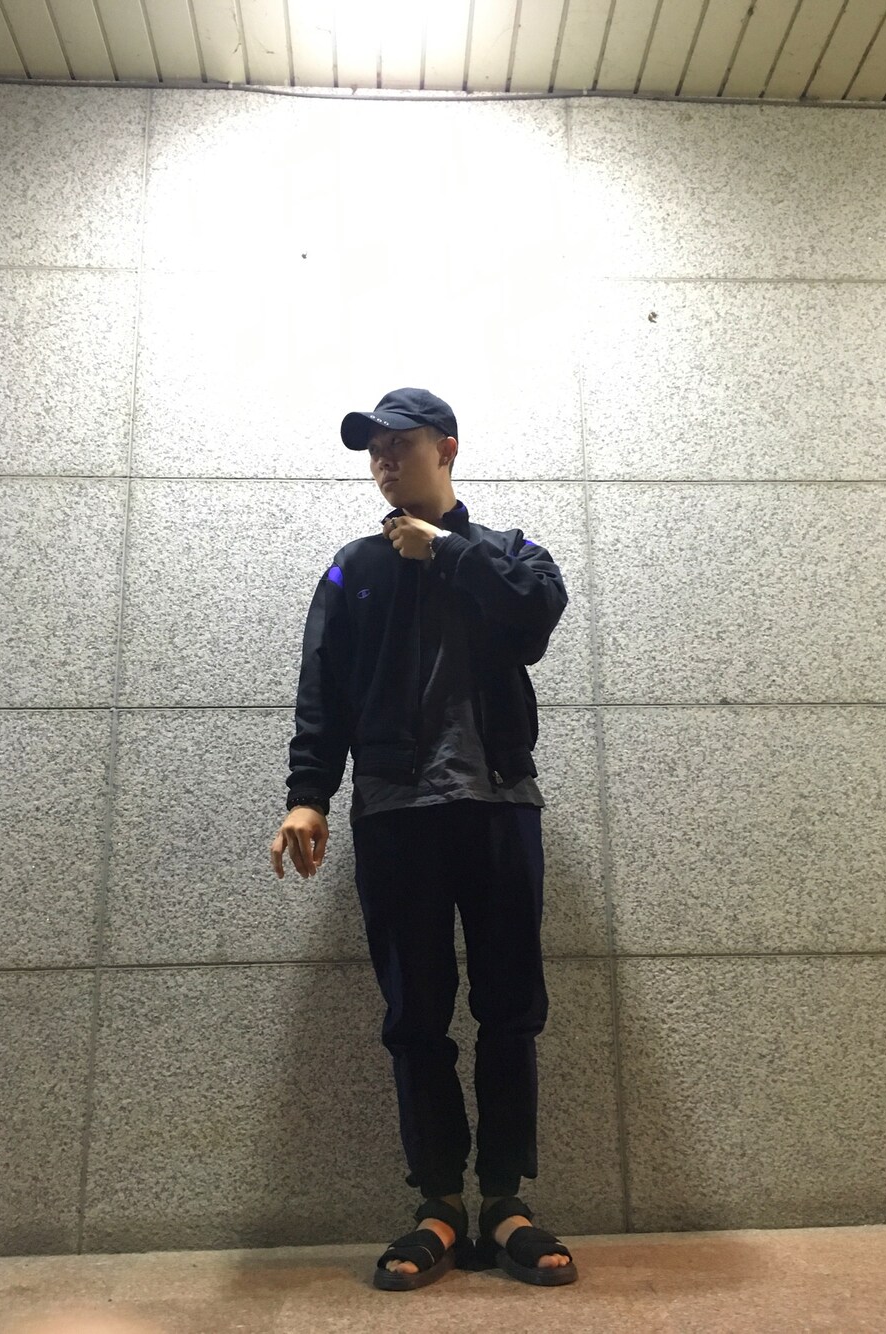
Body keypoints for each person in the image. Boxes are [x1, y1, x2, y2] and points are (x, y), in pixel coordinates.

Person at [270, 388, 577, 1290]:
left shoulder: (508, 552)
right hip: (396, 813)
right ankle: (439, 1205)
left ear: (446, 449)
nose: (382, 462)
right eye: (372, 450)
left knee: (510, 1010)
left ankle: (506, 1203)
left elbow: (536, 618)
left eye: (398, 446)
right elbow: (322, 687)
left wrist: (446, 550)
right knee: (415, 1015)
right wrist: (308, 795)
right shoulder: (352, 568)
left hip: (499, 803)